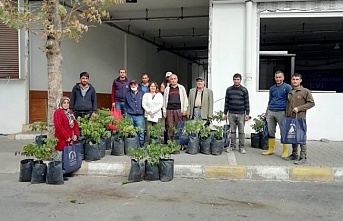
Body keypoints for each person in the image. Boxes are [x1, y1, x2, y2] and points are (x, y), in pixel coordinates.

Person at [284, 73, 315, 165]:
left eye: (297, 79)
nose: (295, 81)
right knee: (293, 136)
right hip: (291, 117)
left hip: (300, 118)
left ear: (300, 80)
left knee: (301, 137)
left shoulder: (305, 91)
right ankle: (294, 154)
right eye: (293, 79)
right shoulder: (290, 91)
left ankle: (303, 156)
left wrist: (299, 108)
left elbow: (311, 103)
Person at [262, 71, 292, 159]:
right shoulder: (272, 88)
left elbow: (290, 101)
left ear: (283, 78)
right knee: (271, 131)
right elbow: (270, 100)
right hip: (271, 111)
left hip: (282, 112)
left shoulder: (287, 87)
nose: (278, 79)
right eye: (276, 77)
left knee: (284, 131)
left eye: (279, 77)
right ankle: (271, 149)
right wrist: (267, 111)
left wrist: (288, 112)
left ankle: (285, 151)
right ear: (274, 78)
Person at [54, 96, 79, 181]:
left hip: (70, 139)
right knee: (60, 156)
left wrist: (75, 134)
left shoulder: (70, 113)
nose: (66, 104)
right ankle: (59, 173)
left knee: (68, 156)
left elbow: (75, 125)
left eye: (67, 103)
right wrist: (66, 136)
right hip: (62, 139)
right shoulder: (58, 112)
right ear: (61, 104)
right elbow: (59, 126)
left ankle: (66, 171)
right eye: (64, 103)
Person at [224, 73, 250, 154]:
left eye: (238, 79)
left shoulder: (244, 90)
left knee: (241, 131)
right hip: (231, 113)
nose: (236, 81)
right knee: (232, 131)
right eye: (235, 79)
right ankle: (232, 146)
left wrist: (247, 114)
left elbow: (247, 102)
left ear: (240, 80)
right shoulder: (229, 90)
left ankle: (241, 147)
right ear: (233, 80)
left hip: (241, 114)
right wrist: (225, 113)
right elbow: (226, 102)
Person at [162, 74, 188, 139]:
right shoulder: (167, 89)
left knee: (179, 126)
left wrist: (185, 109)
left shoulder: (181, 88)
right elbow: (164, 100)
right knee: (170, 126)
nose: (173, 80)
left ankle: (178, 141)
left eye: (174, 79)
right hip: (169, 110)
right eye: (171, 79)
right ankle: (170, 141)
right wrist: (164, 111)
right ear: (169, 80)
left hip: (179, 109)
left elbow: (185, 99)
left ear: (177, 79)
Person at [124, 80, 145, 147]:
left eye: (134, 85)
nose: (133, 86)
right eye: (131, 85)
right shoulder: (127, 94)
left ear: (137, 85)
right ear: (130, 86)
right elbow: (125, 104)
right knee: (131, 131)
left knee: (141, 131)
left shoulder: (142, 93)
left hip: (139, 115)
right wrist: (126, 112)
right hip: (130, 114)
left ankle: (141, 145)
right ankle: (133, 146)